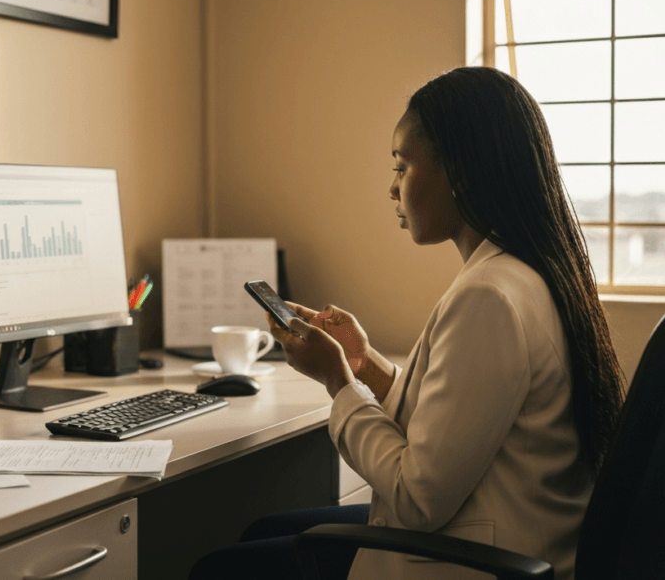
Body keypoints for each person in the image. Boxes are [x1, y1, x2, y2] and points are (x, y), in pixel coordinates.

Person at [188, 66, 626, 580]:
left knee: (221, 569)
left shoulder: (488, 298)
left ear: (459, 173)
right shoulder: (527, 273)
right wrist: (364, 364)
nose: (392, 189)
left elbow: (417, 499)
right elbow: (454, 424)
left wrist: (337, 381)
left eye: (402, 166)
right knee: (263, 533)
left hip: (474, 558)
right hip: (509, 532)